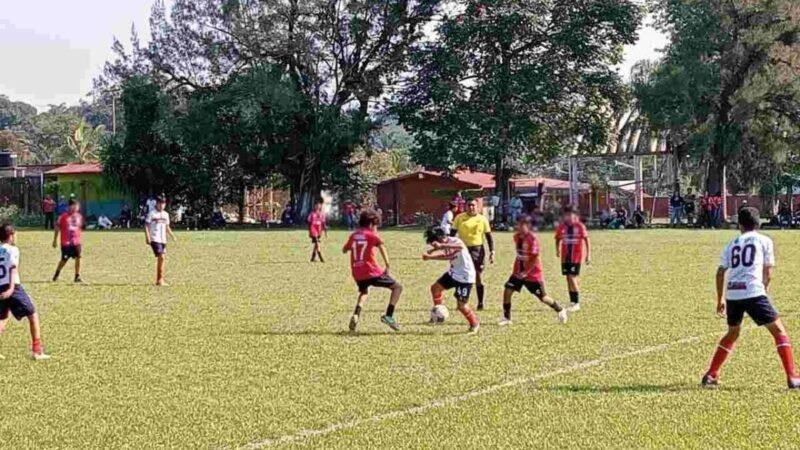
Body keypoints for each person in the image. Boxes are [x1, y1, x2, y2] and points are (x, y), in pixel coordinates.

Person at [701, 207, 800, 389]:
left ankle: (711, 375)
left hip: (733, 294)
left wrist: (720, 299)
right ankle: (793, 377)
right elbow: (767, 272)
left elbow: (720, 271)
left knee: (732, 333)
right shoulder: (764, 240)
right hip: (753, 292)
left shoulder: (732, 243)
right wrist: (763, 290)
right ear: (758, 223)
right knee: (779, 332)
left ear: (739, 225)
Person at [500, 215, 568, 326]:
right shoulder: (517, 236)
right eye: (519, 224)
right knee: (507, 291)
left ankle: (560, 309)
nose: (521, 227)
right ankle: (507, 318)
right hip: (518, 273)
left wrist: (526, 271)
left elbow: (535, 257)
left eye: (523, 225)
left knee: (543, 298)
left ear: (528, 226)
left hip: (532, 274)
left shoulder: (532, 239)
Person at [342, 210, 403, 333]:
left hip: (357, 273)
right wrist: (387, 265)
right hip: (371, 271)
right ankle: (389, 316)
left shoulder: (354, 235)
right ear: (371, 224)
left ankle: (356, 314)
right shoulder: (372, 235)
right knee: (397, 287)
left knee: (364, 292)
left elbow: (345, 249)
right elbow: (382, 247)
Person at [0, 225, 50, 361]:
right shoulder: (13, 250)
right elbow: (12, 268)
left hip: (0, 287)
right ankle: (37, 351)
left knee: (3, 318)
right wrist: (10, 288)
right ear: (11, 235)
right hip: (13, 287)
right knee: (32, 314)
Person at [423, 226, 480, 333]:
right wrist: (431, 254)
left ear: (439, 238)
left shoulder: (455, 241)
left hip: (465, 277)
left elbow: (460, 247)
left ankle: (475, 324)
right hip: (454, 273)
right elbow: (448, 255)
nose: (431, 243)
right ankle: (438, 313)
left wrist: (440, 247)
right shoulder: (445, 244)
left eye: (432, 241)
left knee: (461, 306)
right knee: (435, 288)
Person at [452, 199, 495, 310]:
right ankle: (461, 301)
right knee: (460, 275)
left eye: (473, 205)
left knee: (477, 276)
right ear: (465, 206)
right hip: (462, 250)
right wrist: (449, 249)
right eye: (469, 205)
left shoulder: (482, 219)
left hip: (477, 250)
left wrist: (492, 252)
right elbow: (451, 235)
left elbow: (489, 237)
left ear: (477, 206)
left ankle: (480, 303)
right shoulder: (459, 218)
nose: (471, 207)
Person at [555, 205, 591, 312]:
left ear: (575, 216)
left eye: (570, 215)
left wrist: (588, 255)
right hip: (565, 257)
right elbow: (557, 238)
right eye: (566, 215)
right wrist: (557, 249)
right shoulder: (562, 226)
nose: (568, 217)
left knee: (572, 277)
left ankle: (577, 303)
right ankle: (572, 301)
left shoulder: (580, 226)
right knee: (568, 278)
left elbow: (586, 240)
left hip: (575, 257)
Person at [145, 196, 178, 286]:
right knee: (162, 257)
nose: (161, 205)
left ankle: (159, 279)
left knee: (162, 259)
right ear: (157, 203)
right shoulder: (152, 214)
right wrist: (147, 237)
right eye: (160, 203)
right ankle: (160, 279)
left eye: (163, 203)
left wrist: (172, 236)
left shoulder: (166, 215)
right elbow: (147, 225)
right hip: (155, 238)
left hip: (163, 239)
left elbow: (167, 226)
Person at [52, 199, 83, 283]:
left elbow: (79, 228)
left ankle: (77, 276)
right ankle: (57, 273)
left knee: (78, 257)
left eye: (77, 206)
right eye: (75, 206)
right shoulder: (63, 216)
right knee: (64, 260)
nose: (77, 208)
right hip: (66, 242)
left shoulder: (79, 216)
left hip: (76, 241)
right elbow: (57, 227)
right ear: (70, 206)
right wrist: (55, 240)